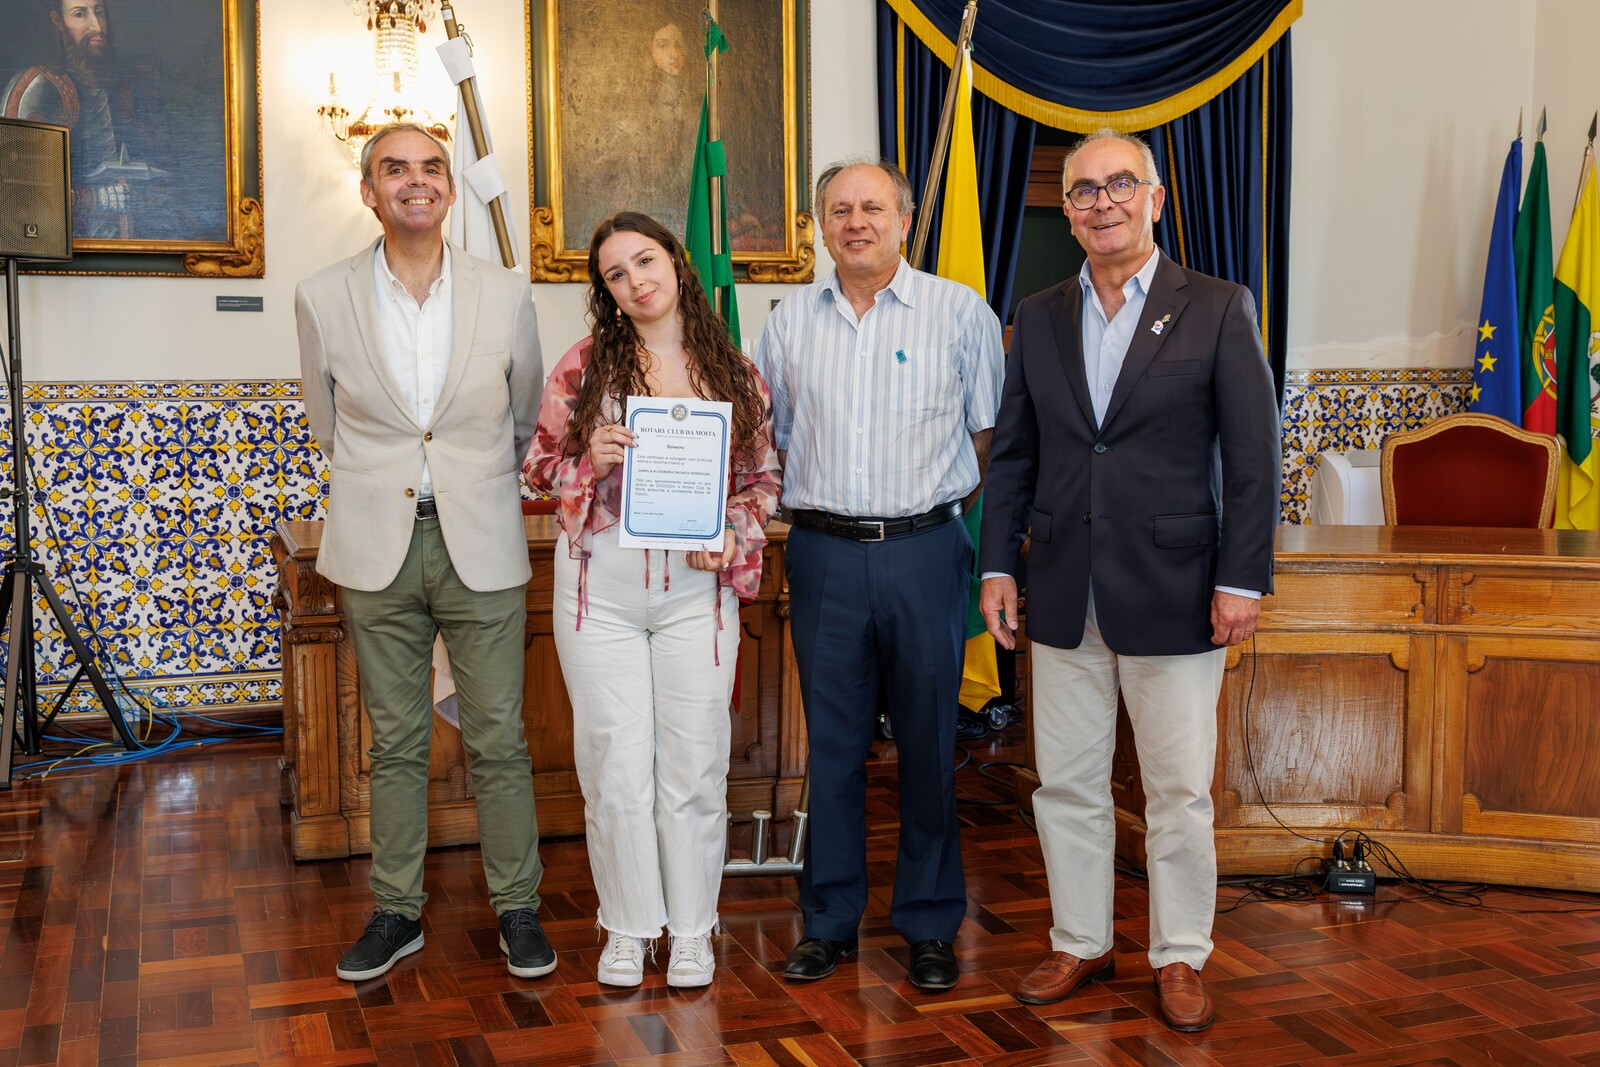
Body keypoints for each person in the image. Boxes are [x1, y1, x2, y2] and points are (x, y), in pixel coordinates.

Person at [978, 128, 1281, 1032]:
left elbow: (1254, 457)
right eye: (1084, 190)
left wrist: (1243, 579)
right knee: (1065, 783)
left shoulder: (1217, 307)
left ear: (1156, 198)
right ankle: (1081, 938)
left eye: (1120, 184)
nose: (1102, 201)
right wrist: (998, 563)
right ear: (1067, 212)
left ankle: (1180, 951)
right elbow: (1015, 455)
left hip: (1178, 592)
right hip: (1063, 591)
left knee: (1178, 791)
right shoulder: (1037, 315)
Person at [296, 121, 554, 983]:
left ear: (449, 186)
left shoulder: (504, 291)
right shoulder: (321, 295)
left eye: (432, 167)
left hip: (480, 537)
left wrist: (467, 481)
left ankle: (519, 906)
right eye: (395, 168)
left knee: (499, 738)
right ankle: (396, 911)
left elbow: (523, 417)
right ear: (368, 191)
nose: (417, 180)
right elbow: (327, 423)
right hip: (377, 543)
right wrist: (391, 481)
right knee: (398, 741)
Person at [753, 157, 1003, 991]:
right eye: (839, 209)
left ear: (904, 218)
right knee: (832, 750)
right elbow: (771, 438)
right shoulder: (788, 323)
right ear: (820, 226)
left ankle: (929, 923)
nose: (856, 221)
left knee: (930, 744)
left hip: (926, 552)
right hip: (822, 553)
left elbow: (987, 440)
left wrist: (928, 517)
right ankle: (828, 921)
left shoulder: (959, 313)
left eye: (872, 207)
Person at [523, 211, 780, 989]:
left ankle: (694, 929)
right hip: (598, 591)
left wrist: (732, 531)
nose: (635, 281)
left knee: (695, 763)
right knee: (614, 764)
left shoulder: (734, 371)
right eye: (615, 273)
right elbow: (536, 466)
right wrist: (588, 461)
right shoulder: (583, 366)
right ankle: (629, 926)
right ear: (606, 290)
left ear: (675, 261)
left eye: (645, 260)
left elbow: (763, 481)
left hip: (695, 591)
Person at [3, 0, 175, 240]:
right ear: (58, 22)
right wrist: (96, 198)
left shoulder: (125, 86)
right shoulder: (39, 89)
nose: (97, 26)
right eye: (80, 14)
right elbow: (17, 193)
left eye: (99, 12)